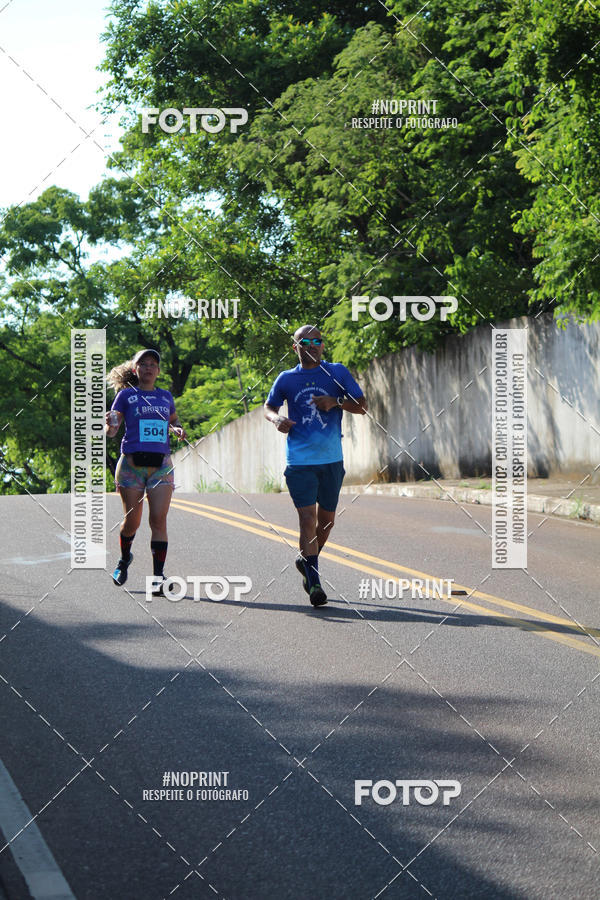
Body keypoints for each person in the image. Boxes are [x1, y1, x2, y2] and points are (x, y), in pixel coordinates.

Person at [264, 325, 367, 607]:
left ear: (322, 344)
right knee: (307, 519)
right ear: (295, 347)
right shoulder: (286, 379)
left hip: (332, 460)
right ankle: (314, 583)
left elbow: (362, 405)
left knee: (327, 522)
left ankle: (306, 561)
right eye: (304, 341)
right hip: (300, 462)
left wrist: (336, 401)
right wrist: (276, 419)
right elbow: (269, 407)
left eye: (316, 340)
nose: (311, 345)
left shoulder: (337, 372)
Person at [105, 348, 186, 592]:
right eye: (144, 364)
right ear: (135, 369)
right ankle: (124, 559)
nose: (148, 368)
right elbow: (112, 430)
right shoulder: (126, 396)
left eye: (153, 364)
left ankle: (158, 578)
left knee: (158, 520)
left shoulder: (165, 397)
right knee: (132, 522)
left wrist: (177, 429)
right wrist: (109, 425)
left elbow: (173, 420)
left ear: (158, 371)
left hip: (161, 465)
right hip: (132, 466)